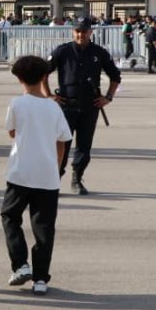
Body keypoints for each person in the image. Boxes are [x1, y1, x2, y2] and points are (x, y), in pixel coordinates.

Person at [2, 56, 73, 295]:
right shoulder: (54, 107)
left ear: (19, 79)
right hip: (47, 175)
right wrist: (58, 166)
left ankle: (20, 264)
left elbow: (12, 132)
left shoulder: (16, 103)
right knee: (44, 228)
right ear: (44, 77)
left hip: (20, 172)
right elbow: (63, 140)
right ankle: (41, 279)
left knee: (10, 217)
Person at [44, 17, 121, 195]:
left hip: (89, 107)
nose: (81, 34)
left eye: (84, 31)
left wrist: (108, 97)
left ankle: (77, 178)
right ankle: (55, 179)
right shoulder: (62, 51)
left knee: (84, 147)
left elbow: (115, 77)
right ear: (73, 32)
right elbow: (43, 73)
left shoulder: (99, 52)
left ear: (90, 32)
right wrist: (48, 95)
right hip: (66, 107)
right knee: (62, 144)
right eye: (77, 31)